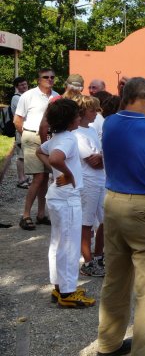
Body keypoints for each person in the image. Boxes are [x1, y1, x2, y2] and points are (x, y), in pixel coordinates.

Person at [97, 77, 145, 356]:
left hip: (113, 202)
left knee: (115, 280)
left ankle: (108, 344)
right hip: (144, 208)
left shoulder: (109, 123)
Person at [36, 98, 96, 308]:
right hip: (68, 197)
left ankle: (59, 285)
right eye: (77, 115)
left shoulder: (57, 137)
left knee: (58, 242)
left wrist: (57, 173)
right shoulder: (69, 139)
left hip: (57, 196)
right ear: (71, 120)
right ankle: (68, 291)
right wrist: (68, 174)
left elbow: (41, 151)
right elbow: (54, 159)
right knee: (70, 244)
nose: (80, 117)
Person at [14, 68, 59, 230]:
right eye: (46, 77)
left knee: (45, 178)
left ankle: (41, 214)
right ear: (38, 79)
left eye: (52, 77)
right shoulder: (28, 95)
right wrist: (27, 136)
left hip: (49, 138)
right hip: (32, 137)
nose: (50, 79)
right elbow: (17, 120)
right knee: (39, 177)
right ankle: (25, 215)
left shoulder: (56, 96)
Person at [73, 96, 106, 277]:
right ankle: (87, 262)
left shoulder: (92, 130)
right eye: (93, 110)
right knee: (86, 222)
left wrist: (102, 156)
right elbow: (93, 161)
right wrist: (102, 157)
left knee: (105, 219)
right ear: (83, 111)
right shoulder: (77, 134)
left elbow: (101, 156)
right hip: (88, 181)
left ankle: (99, 256)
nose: (96, 113)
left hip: (100, 179)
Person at [11, 77, 29, 189]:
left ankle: (24, 177)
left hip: (26, 129)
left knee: (25, 155)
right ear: (17, 87)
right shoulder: (16, 98)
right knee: (21, 156)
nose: (24, 86)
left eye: (25, 84)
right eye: (21, 85)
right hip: (20, 129)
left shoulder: (24, 97)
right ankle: (21, 179)